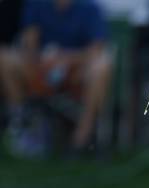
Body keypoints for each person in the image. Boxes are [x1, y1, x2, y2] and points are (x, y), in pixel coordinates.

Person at [0, 0, 112, 152]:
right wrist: (40, 58)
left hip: (75, 72)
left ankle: (83, 136)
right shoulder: (36, 4)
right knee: (5, 57)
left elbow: (96, 49)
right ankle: (22, 120)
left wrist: (65, 58)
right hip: (41, 69)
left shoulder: (90, 7)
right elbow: (30, 42)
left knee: (102, 65)